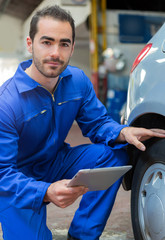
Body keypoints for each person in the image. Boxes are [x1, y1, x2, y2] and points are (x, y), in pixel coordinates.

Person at [0, 5, 165, 240]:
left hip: (55, 161)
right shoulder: (7, 103)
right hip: (17, 179)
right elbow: (2, 174)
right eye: (46, 42)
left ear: (72, 47)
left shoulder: (77, 80)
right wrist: (45, 191)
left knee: (114, 154)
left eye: (64, 43)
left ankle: (82, 234)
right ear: (30, 44)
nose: (56, 52)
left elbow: (97, 124)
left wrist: (123, 132)